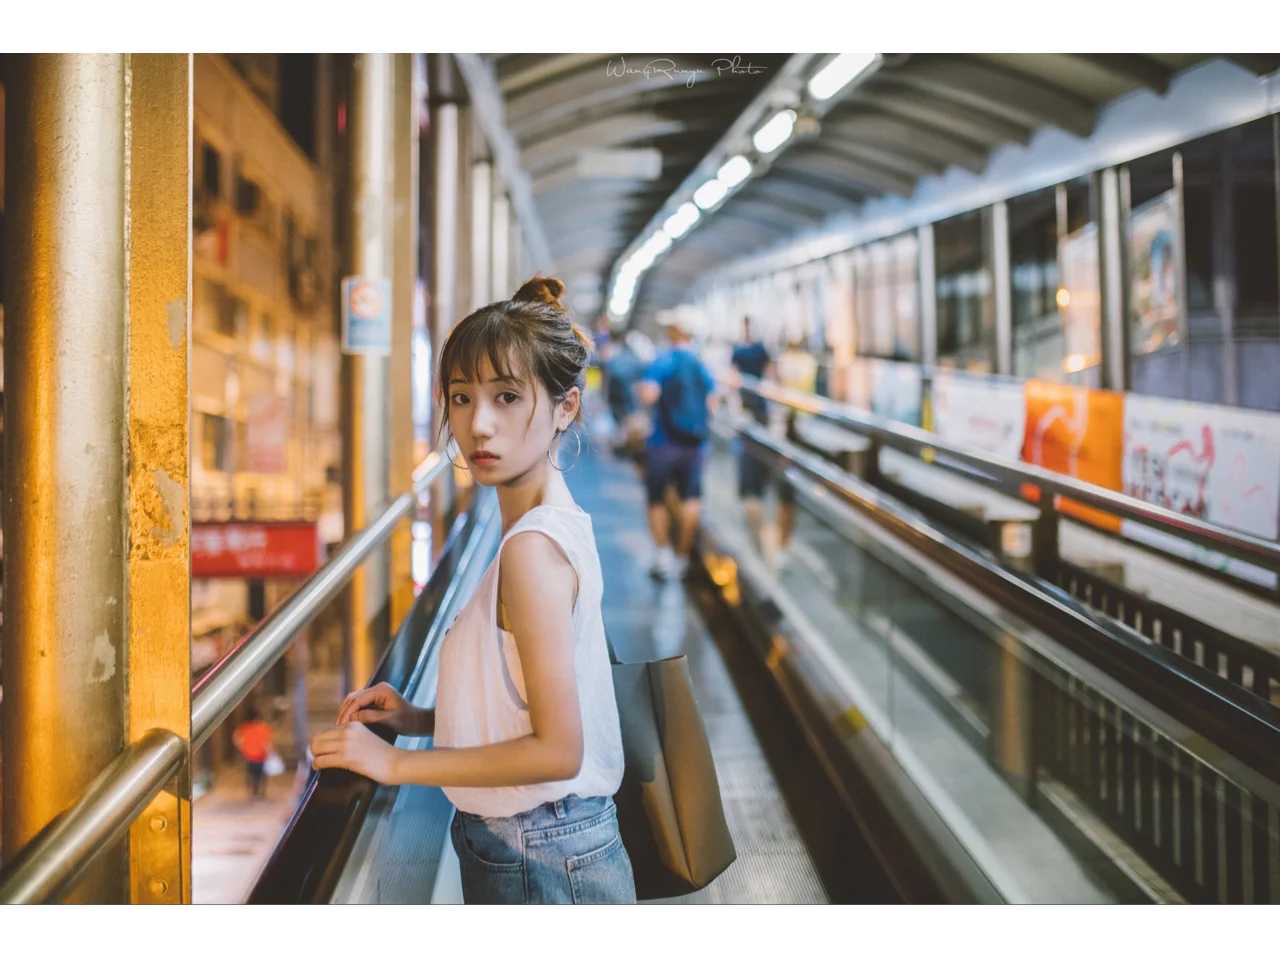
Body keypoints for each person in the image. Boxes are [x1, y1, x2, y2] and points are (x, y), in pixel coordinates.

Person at [310, 275, 635, 905]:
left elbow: (557, 751)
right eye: (461, 398)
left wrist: (396, 764)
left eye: (508, 397)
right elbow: (526, 701)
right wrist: (421, 719)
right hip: (545, 846)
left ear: (566, 407)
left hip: (540, 856)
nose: (478, 425)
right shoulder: (549, 524)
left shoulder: (532, 551)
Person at [635, 313, 719, 580]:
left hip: (663, 441)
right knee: (691, 499)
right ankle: (683, 558)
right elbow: (713, 402)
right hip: (694, 445)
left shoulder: (664, 359)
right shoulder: (700, 363)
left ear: (672, 332)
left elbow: (649, 394)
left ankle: (663, 557)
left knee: (656, 498)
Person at [729, 316, 774, 548]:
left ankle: (751, 489)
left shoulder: (745, 350)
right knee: (754, 447)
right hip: (755, 409)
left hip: (752, 410)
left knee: (751, 448)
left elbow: (734, 378)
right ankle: (754, 488)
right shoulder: (756, 350)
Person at [774, 338, 819, 557]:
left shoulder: (782, 361)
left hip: (786, 423)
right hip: (804, 421)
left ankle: (782, 541)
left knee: (785, 485)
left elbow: (778, 385)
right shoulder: (809, 361)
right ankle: (784, 539)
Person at [233, 706, 273, 799]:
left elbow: (236, 737)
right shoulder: (264, 727)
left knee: (251, 774)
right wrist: (270, 752)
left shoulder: (244, 728)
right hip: (261, 756)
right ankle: (261, 792)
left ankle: (253, 791)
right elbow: (267, 743)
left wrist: (242, 748)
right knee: (261, 774)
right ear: (258, 717)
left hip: (249, 755)